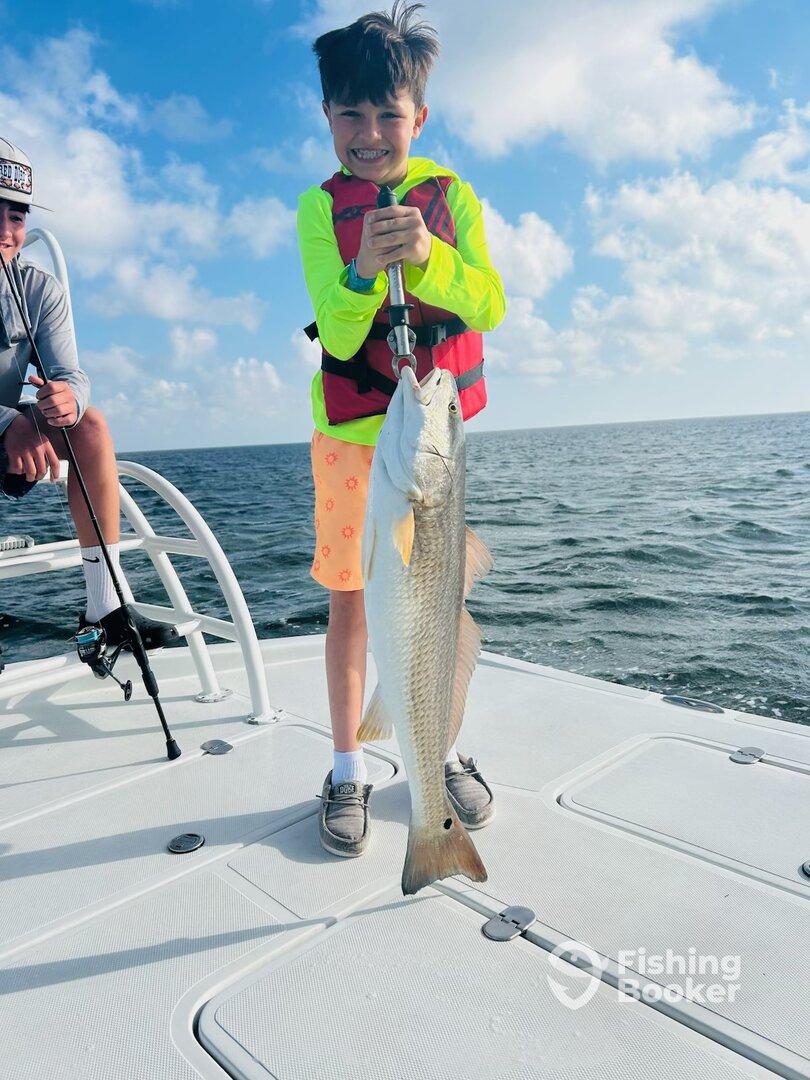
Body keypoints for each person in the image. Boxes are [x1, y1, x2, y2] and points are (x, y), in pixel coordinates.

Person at [297, 2, 506, 856]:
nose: (371, 131)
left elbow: (489, 301)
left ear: (419, 116)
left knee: (437, 602)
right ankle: (348, 765)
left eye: (389, 113)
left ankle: (439, 749)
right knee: (356, 603)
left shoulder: (451, 198)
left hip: (433, 442)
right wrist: (362, 270)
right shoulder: (320, 212)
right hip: (357, 445)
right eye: (352, 113)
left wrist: (430, 257)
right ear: (328, 119)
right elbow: (341, 334)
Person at [0, 139, 174, 654]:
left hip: (13, 438)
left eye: (15, 216)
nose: (5, 232)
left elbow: (71, 374)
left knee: (91, 425)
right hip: (8, 432)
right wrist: (10, 421)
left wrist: (65, 402)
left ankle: (106, 606)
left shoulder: (39, 288)